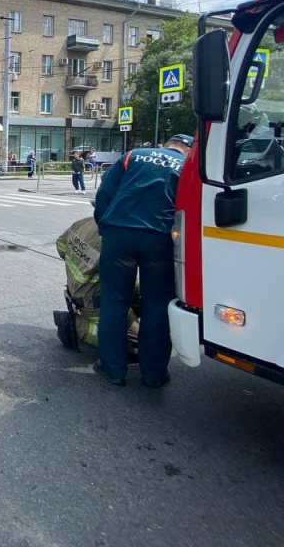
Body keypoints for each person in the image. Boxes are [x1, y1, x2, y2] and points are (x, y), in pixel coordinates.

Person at [92, 133, 193, 388]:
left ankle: (113, 369)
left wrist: (104, 226)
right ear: (188, 151)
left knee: (114, 303)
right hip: (160, 241)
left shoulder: (131, 156)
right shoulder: (187, 168)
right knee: (157, 307)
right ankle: (154, 374)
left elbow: (105, 194)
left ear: (165, 145)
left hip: (119, 236)